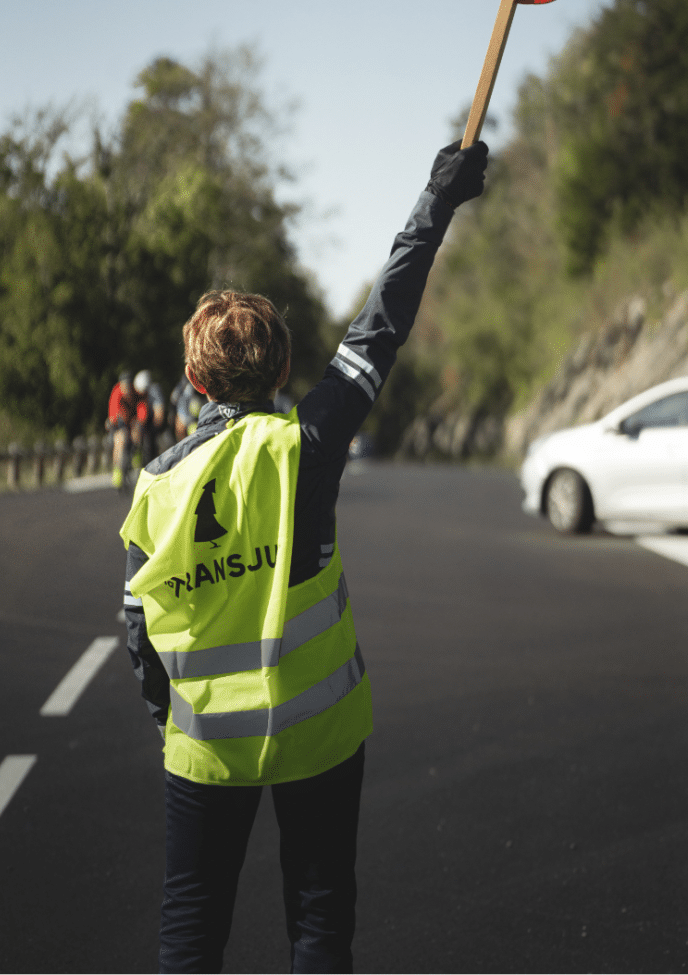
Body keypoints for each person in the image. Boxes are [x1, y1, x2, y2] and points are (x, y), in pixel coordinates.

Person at [119, 139, 488, 974]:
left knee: (190, 933)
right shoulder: (307, 446)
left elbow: (138, 626)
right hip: (320, 736)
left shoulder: (154, 486)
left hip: (205, 744)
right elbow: (379, 326)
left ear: (192, 379)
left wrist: (168, 718)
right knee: (319, 927)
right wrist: (437, 202)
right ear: (283, 367)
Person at [107, 370, 138, 489]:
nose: (127, 389)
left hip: (132, 420)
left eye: (129, 385)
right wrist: (113, 422)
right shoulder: (116, 392)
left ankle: (136, 456)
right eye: (124, 385)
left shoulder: (135, 392)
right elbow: (113, 413)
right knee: (120, 440)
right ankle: (117, 470)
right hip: (119, 421)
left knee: (137, 434)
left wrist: (139, 422)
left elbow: (141, 408)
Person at [134, 369, 167, 466]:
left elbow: (159, 414)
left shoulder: (155, 390)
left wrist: (155, 428)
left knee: (151, 443)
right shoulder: (141, 395)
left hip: (154, 426)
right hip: (146, 424)